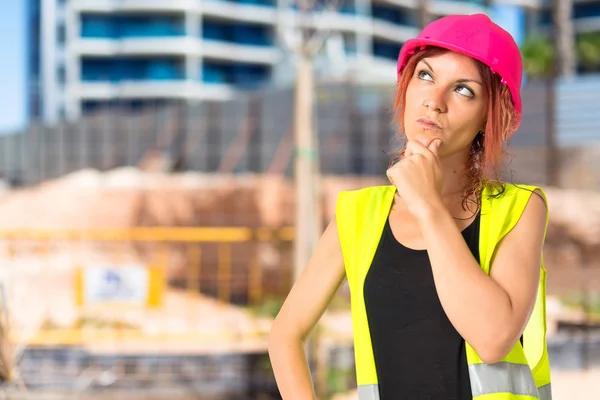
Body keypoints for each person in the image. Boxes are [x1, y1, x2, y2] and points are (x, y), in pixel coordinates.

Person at [268, 13, 552, 400]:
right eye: (425, 75)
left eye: (463, 90)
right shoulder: (358, 214)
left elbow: (493, 338)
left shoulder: (519, 209)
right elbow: (285, 335)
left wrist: (428, 205)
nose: (434, 101)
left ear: (490, 115)